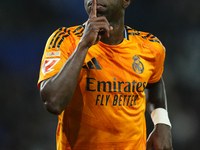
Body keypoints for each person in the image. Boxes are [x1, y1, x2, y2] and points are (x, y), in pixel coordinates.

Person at [37, 0, 173, 149]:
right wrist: (83, 46)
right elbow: (53, 102)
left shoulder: (150, 47)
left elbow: (154, 82)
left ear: (126, 1)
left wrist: (161, 122)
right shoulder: (64, 40)